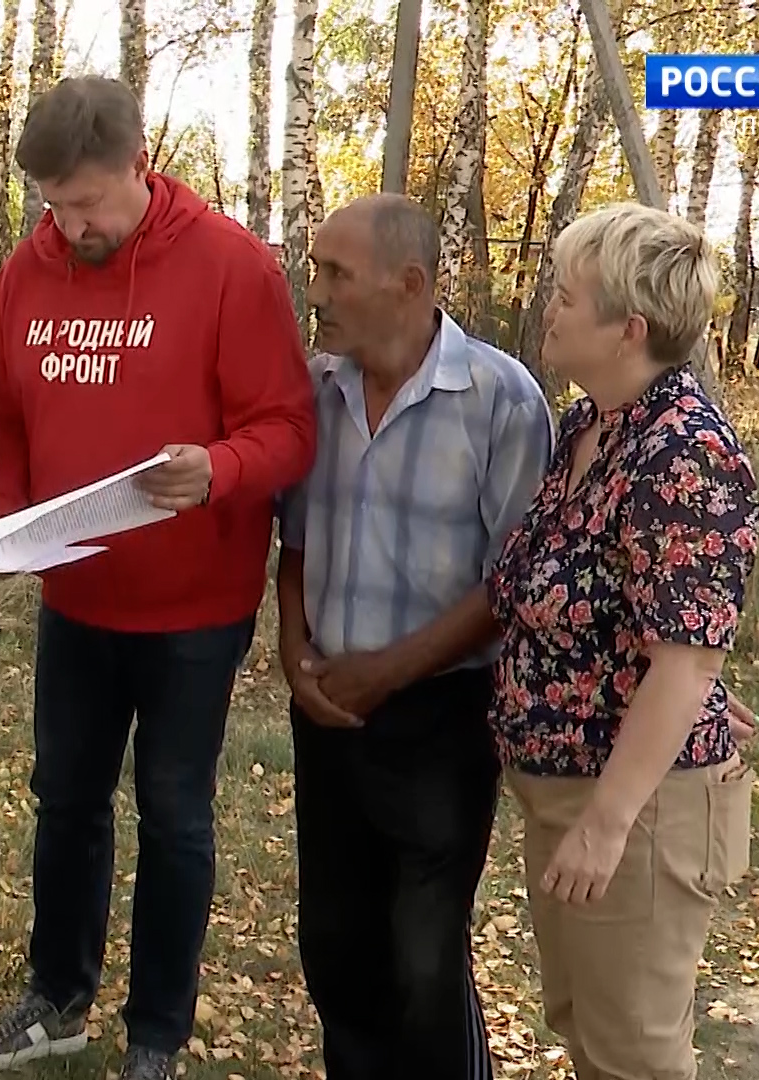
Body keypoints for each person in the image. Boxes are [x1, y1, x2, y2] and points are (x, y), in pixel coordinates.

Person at [0, 76, 316, 1080]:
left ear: (140, 168)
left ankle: (156, 1032)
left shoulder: (231, 266)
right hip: (75, 597)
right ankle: (56, 997)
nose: (73, 227)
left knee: (174, 812)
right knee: (66, 798)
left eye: (89, 204)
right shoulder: (30, 271)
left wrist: (218, 469)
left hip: (194, 607)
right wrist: (4, 518)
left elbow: (289, 428)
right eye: (54, 206)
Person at [273, 194, 554, 1079]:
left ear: (411, 284)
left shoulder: (502, 402)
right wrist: (293, 651)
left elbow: (513, 582)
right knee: (334, 941)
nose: (317, 292)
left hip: (442, 716)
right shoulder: (316, 391)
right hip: (328, 710)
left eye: (336, 274)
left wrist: (389, 672)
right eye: (315, 270)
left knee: (425, 958)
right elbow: (295, 542)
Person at [486, 202, 759, 1080]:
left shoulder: (682, 452)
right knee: (590, 1032)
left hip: (637, 809)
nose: (549, 309)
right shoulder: (591, 426)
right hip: (565, 790)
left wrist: (607, 826)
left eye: (568, 297)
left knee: (633, 1055)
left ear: (629, 329)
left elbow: (686, 661)